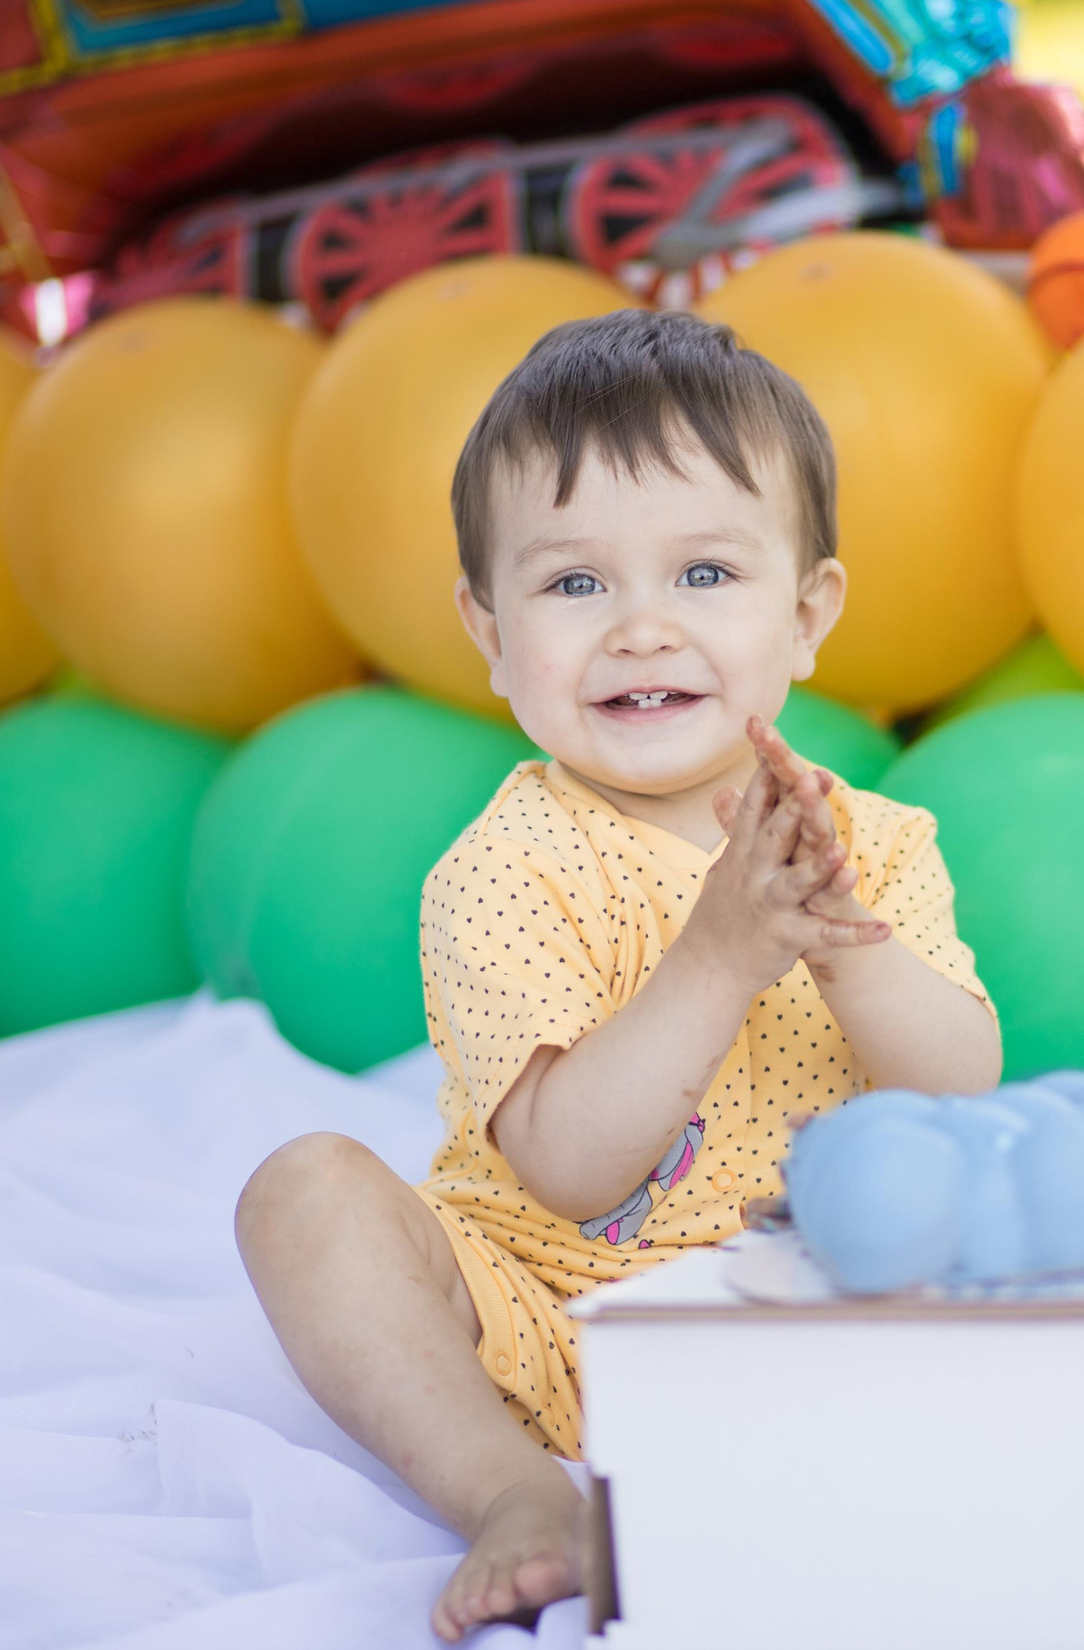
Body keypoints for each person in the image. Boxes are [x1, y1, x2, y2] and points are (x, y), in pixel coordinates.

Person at [233, 309, 1003, 1639]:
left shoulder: (869, 844)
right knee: (304, 1194)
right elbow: (569, 1169)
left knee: (1012, 1242)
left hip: (814, 1304)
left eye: (704, 573)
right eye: (576, 585)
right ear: (489, 632)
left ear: (806, 615)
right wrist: (721, 954)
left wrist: (840, 942)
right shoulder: (502, 871)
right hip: (547, 1325)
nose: (643, 629)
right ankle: (515, 1494)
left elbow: (961, 1090)